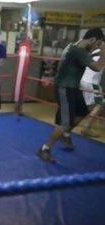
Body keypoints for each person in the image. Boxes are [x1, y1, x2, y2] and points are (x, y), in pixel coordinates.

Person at [37, 28, 105, 163]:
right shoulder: (79, 51)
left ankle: (66, 133)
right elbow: (97, 67)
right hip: (65, 88)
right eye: (97, 44)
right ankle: (45, 149)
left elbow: (63, 62)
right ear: (92, 40)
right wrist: (104, 52)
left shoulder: (74, 48)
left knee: (82, 112)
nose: (97, 47)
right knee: (65, 122)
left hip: (72, 87)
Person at [80, 48, 104, 138]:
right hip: (92, 82)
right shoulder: (103, 52)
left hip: (83, 80)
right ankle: (87, 128)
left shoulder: (95, 50)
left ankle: (68, 123)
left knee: (86, 105)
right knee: (100, 104)